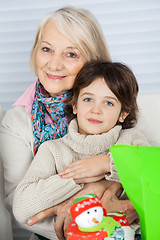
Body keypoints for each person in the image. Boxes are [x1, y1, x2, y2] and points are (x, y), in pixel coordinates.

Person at [0, 6, 139, 240]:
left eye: (71, 54)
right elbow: (20, 204)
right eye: (46, 49)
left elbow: (145, 163)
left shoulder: (112, 106)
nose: (54, 65)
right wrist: (82, 207)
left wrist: (108, 165)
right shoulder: (17, 122)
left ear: (92, 60)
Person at [13, 61, 150, 239]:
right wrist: (75, 178)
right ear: (75, 105)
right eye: (87, 99)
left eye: (108, 103)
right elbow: (21, 208)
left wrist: (108, 164)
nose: (96, 109)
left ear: (123, 113)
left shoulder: (131, 139)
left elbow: (153, 176)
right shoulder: (53, 150)